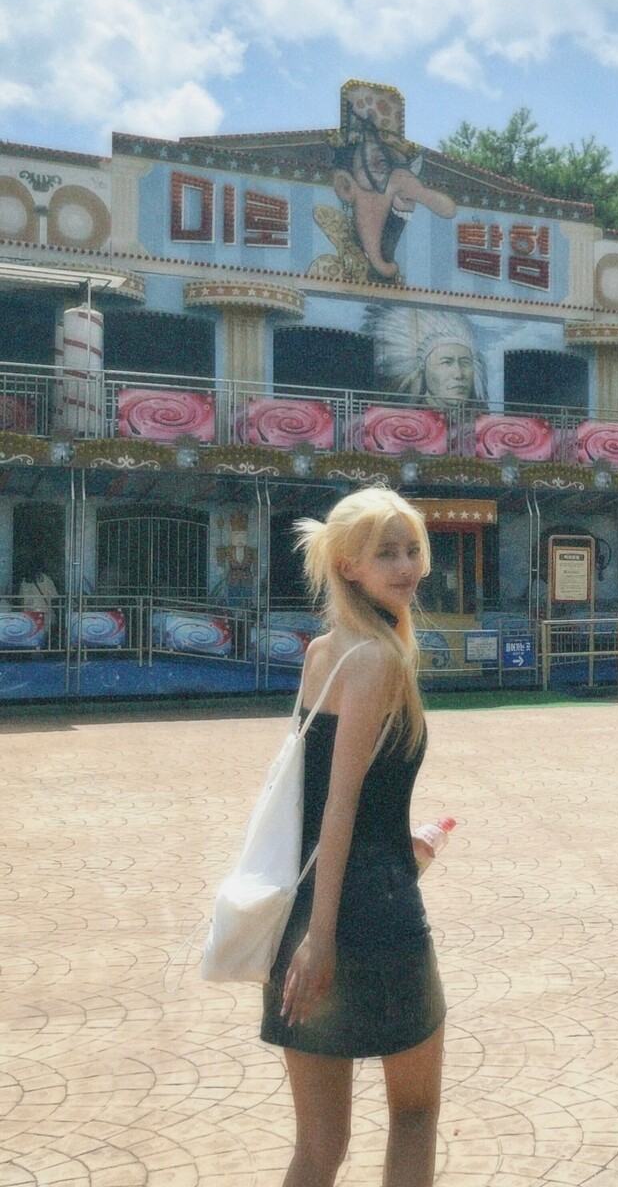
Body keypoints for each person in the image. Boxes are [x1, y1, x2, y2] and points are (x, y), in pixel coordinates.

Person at [260, 487, 445, 1187]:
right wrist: (323, 938)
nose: (406, 567)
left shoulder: (324, 653)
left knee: (318, 1146)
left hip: (309, 909)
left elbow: (329, 804)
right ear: (347, 566)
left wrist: (405, 851)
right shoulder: (377, 660)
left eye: (411, 550)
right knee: (414, 1116)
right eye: (385, 553)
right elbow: (339, 806)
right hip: (370, 920)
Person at [367, 305, 487, 405]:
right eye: (446, 362)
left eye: (465, 362)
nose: (458, 374)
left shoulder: (483, 420)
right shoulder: (399, 419)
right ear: (423, 367)